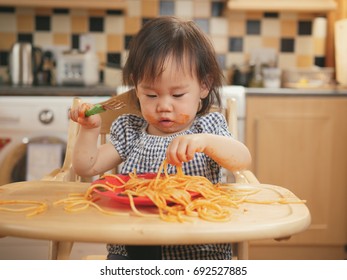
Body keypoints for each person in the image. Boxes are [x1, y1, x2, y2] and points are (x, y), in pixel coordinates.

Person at [69, 16, 251, 260]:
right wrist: (89, 131)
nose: (164, 106)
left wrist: (205, 142)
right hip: (133, 248)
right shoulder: (131, 131)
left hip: (199, 249)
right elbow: (86, 166)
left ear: (204, 87)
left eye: (177, 95)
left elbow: (242, 160)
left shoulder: (209, 126)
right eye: (151, 95)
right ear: (136, 87)